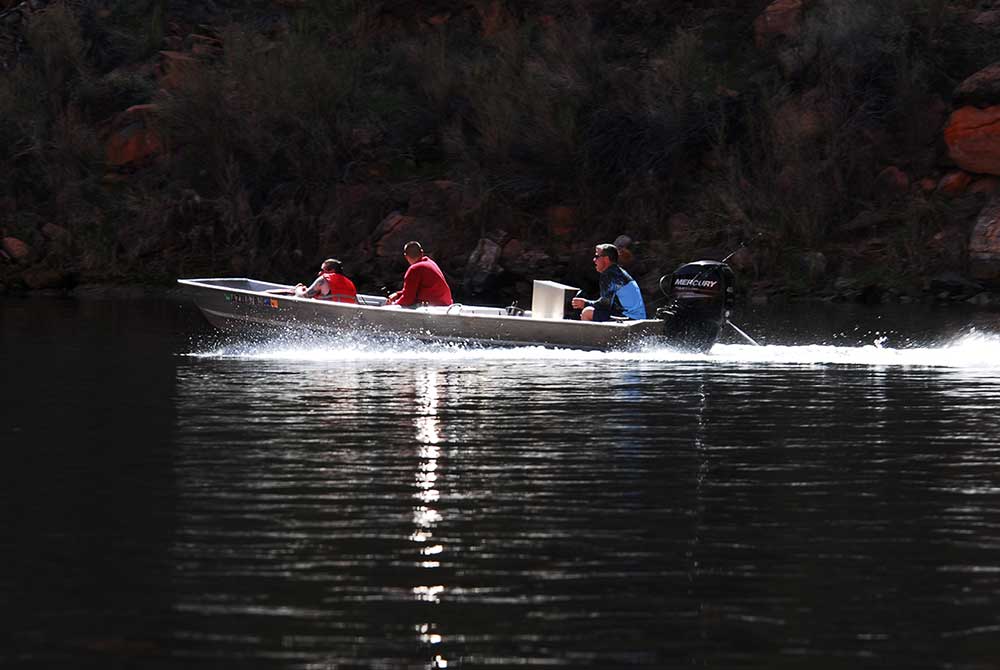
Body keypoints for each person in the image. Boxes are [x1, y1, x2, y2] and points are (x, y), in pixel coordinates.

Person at [571, 243, 647, 321]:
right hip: (636, 318)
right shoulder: (617, 272)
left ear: (606, 259)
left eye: (597, 256)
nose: (594, 260)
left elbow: (604, 305)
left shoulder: (609, 274)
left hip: (629, 319)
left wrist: (585, 303)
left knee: (587, 312)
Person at [385, 240, 453, 307]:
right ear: (422, 252)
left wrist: (392, 305)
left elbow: (407, 299)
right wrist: (398, 294)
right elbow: (412, 291)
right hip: (446, 304)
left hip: (435, 307)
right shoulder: (430, 263)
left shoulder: (414, 269)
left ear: (405, 256)